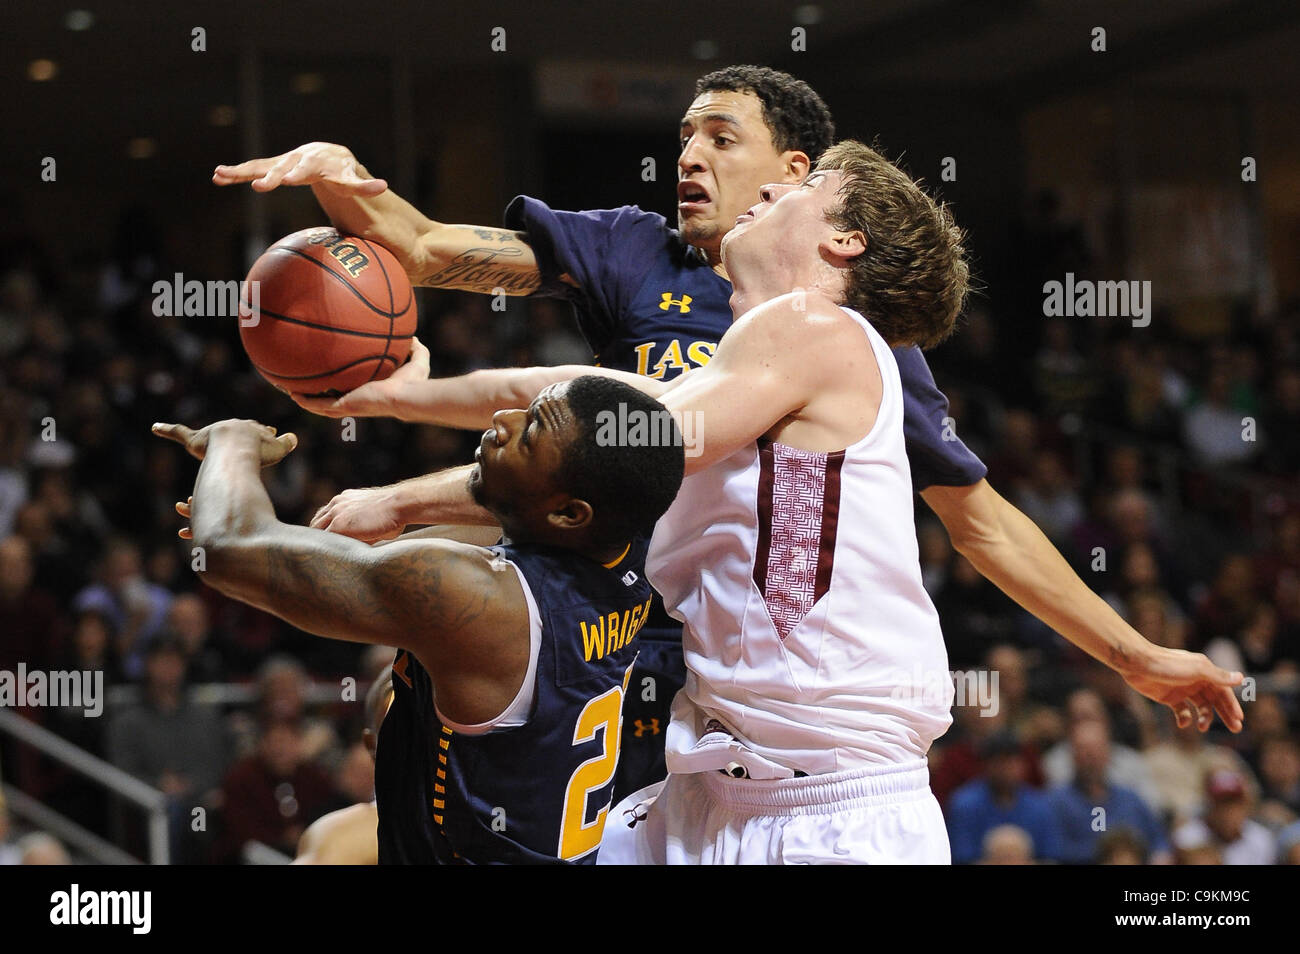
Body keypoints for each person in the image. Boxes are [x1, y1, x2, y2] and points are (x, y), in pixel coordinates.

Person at [216, 67, 1245, 811]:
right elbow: (442, 259)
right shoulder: (635, 249)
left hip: (777, 725)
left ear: (793, 177)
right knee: (418, 780)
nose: (690, 157)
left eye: (718, 135)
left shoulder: (841, 333)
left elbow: (975, 520)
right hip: (624, 637)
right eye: (682, 138)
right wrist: (348, 184)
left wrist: (1129, 651)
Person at [153, 374, 685, 864]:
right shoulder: (623, 547)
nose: (504, 419)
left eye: (531, 433)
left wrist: (231, 445)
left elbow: (227, 546)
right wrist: (250, 514)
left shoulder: (479, 600)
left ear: (569, 513)